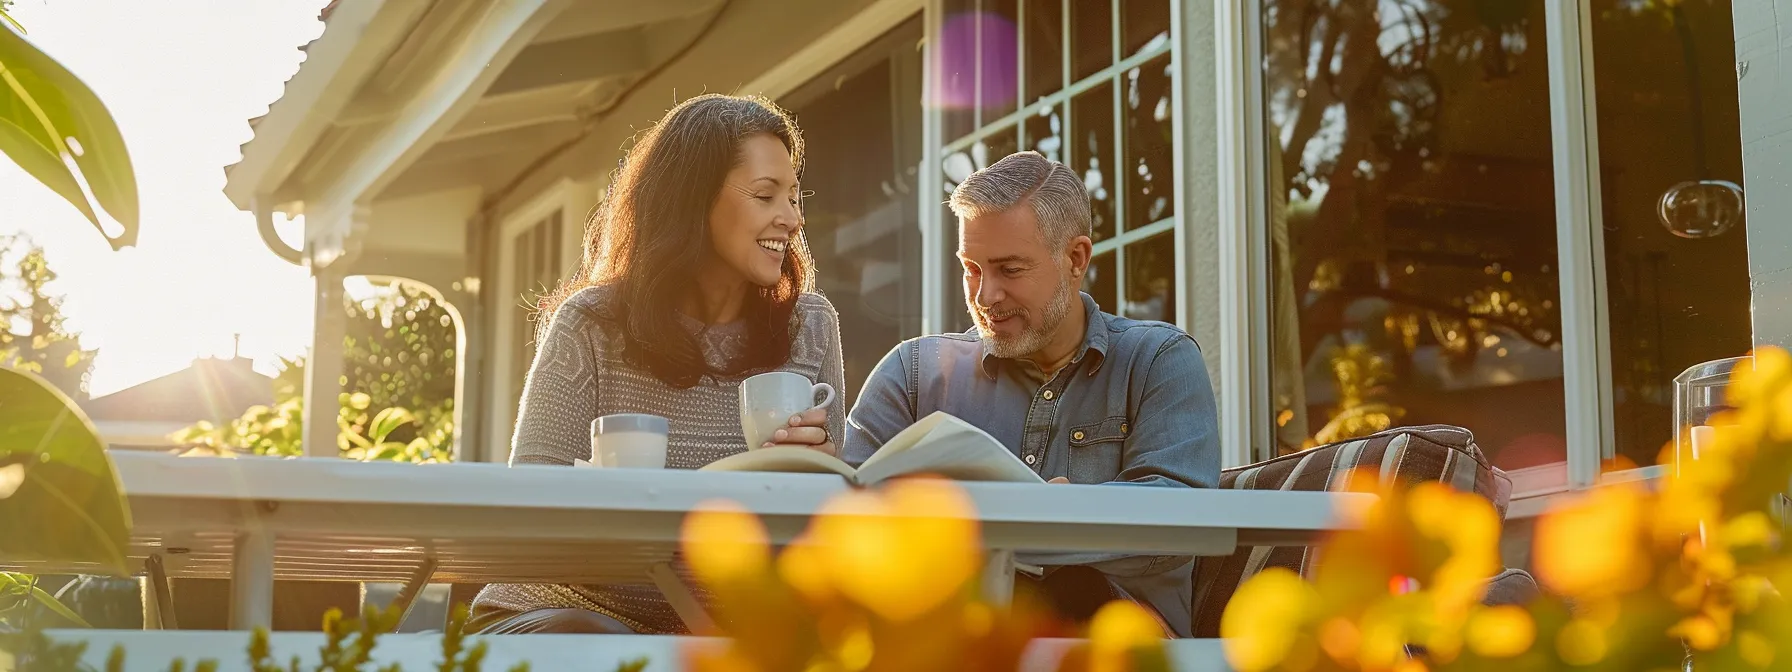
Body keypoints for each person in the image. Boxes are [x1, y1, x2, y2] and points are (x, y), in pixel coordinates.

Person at [467, 94, 846, 635]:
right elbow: (531, 510)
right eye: (766, 195)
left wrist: (821, 475)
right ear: (694, 200)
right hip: (561, 614)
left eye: (793, 196)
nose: (792, 218)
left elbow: (826, 541)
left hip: (718, 637)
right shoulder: (590, 324)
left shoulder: (810, 327)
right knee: (598, 644)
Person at [838, 151, 1220, 637]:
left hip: (1116, 647)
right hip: (948, 642)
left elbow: (1184, 521)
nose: (985, 296)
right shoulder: (912, 375)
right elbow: (838, 521)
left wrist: (1058, 517)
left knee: (1072, 589)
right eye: (971, 268)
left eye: (1010, 270)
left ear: (1076, 259)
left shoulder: (1158, 360)